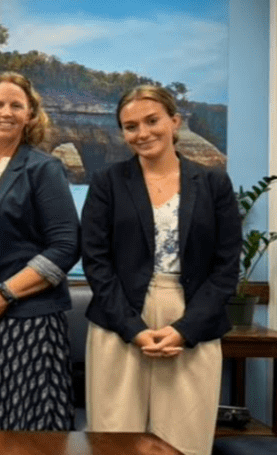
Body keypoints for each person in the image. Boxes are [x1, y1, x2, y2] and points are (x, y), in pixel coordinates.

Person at [81, 85, 240, 455]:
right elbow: (96, 262)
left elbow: (226, 266)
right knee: (113, 441)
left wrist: (186, 330)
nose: (143, 133)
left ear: (174, 121)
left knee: (183, 443)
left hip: (192, 324)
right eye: (131, 126)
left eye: (152, 121)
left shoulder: (214, 183)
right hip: (118, 323)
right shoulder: (107, 182)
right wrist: (133, 329)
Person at [0, 71, 79, 431]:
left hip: (28, 322)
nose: (6, 112)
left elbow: (66, 246)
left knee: (21, 435)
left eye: (16, 105)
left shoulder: (43, 169)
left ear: (30, 116)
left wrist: (6, 293)